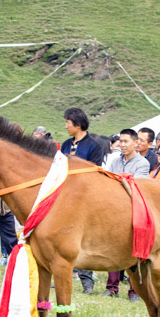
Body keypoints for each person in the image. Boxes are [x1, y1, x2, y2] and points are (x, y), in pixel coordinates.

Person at [60, 107, 102, 294]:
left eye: (68, 122)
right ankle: (63, 276)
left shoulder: (94, 146)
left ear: (77, 124)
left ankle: (87, 282)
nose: (66, 125)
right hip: (65, 196)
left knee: (84, 239)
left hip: (85, 197)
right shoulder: (66, 145)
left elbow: (95, 171)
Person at [104, 129, 149, 301]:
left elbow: (137, 187)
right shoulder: (115, 161)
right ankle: (111, 287)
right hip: (115, 209)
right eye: (120, 141)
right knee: (113, 248)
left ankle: (134, 291)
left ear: (135, 143)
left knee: (134, 249)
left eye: (126, 141)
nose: (122, 145)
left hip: (134, 211)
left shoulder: (142, 163)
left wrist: (120, 180)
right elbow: (108, 183)